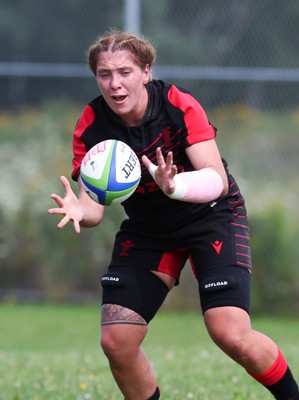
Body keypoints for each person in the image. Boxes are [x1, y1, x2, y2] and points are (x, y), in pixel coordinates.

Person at [48, 29, 299, 400]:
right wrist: (79, 209)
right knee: (117, 339)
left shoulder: (177, 104)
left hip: (211, 216)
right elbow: (94, 210)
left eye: (125, 72)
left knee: (229, 332)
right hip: (149, 229)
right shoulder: (93, 125)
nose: (115, 84)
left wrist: (174, 187)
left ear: (146, 72)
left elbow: (215, 179)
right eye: (105, 74)